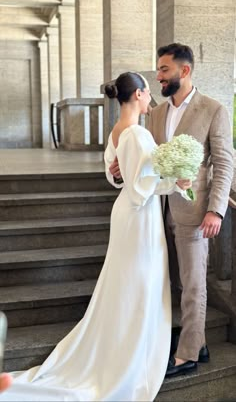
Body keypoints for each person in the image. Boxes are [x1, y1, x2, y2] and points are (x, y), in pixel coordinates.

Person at [0, 72, 191, 402]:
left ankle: (120, 344)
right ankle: (130, 357)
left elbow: (114, 174)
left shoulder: (117, 132)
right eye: (148, 93)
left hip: (127, 217)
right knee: (140, 283)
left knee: (126, 283)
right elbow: (140, 190)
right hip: (139, 217)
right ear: (140, 94)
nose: (151, 99)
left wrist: (140, 176)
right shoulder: (137, 134)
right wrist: (176, 183)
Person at [110, 45, 234, 377]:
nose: (159, 76)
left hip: (195, 214)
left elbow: (223, 164)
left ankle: (189, 355)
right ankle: (199, 341)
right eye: (158, 70)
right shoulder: (157, 113)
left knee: (194, 284)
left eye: (164, 70)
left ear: (185, 71)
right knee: (173, 283)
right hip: (154, 212)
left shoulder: (214, 109)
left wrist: (216, 211)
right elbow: (147, 160)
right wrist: (122, 167)